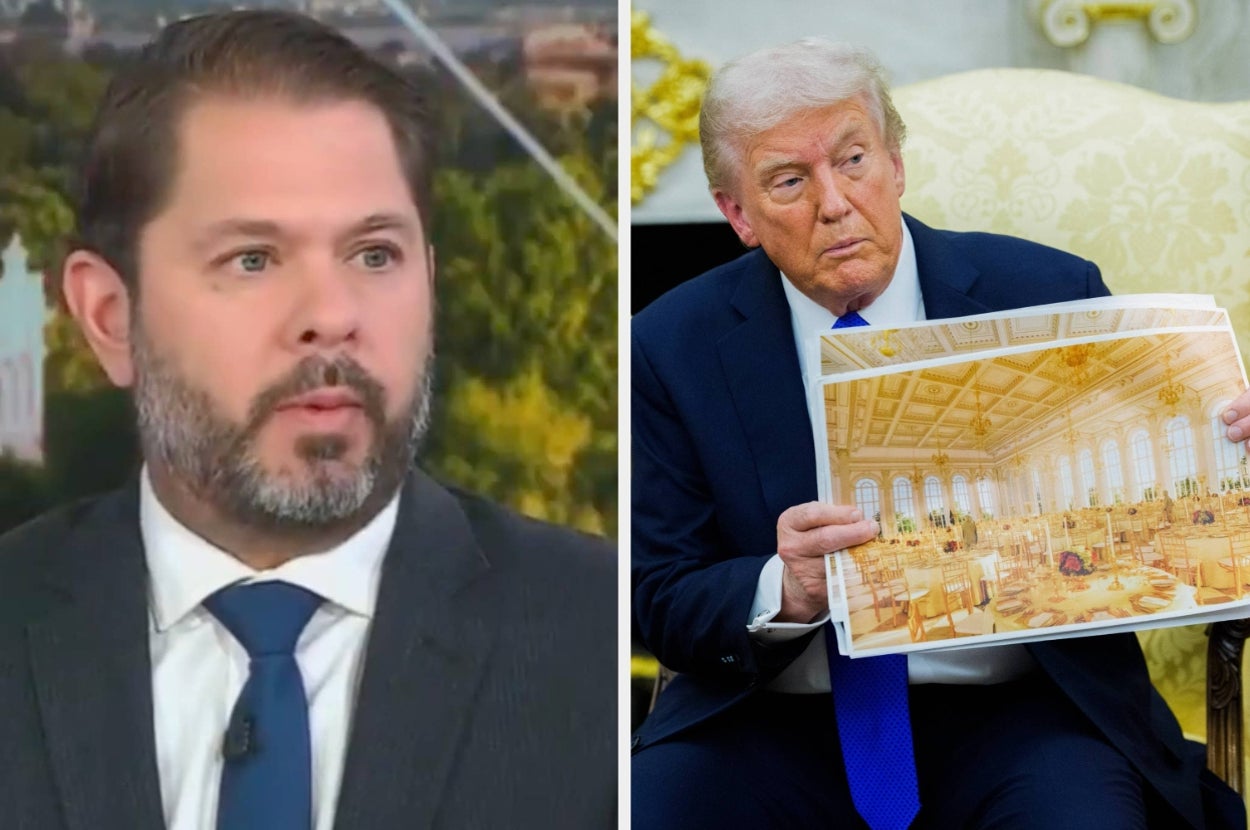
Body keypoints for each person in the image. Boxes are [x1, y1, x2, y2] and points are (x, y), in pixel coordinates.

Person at [0, 11, 614, 830]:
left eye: (374, 255)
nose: (332, 315)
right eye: (252, 259)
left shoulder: (595, 642)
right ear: (111, 317)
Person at [632, 38, 1248, 829]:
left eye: (853, 159)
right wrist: (783, 591)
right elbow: (660, 594)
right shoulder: (669, 346)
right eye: (790, 181)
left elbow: (1170, 528)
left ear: (895, 163)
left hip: (1028, 713)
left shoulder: (1049, 296)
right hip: (771, 721)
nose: (833, 202)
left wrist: (1230, 472)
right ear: (739, 215)